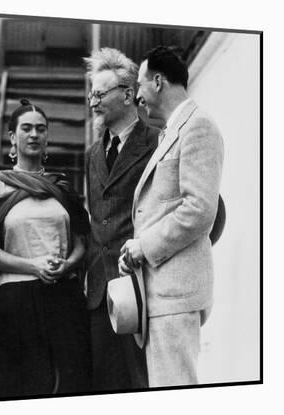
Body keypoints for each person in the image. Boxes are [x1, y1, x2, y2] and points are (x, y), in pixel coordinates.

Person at [0, 99, 91, 399]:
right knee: (18, 386)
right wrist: (33, 266)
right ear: (13, 137)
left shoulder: (61, 187)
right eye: (26, 128)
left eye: (41, 129)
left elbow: (81, 243)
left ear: (47, 137)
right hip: (15, 301)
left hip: (63, 296)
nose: (34, 134)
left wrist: (68, 264)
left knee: (70, 383)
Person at [120, 46, 224, 387]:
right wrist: (135, 251)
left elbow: (199, 209)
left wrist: (144, 246)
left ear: (159, 81)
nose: (137, 95)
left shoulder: (199, 127)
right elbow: (162, 207)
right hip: (161, 295)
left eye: (140, 83)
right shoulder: (173, 130)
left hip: (175, 296)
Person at [83, 47, 158, 391]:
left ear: (128, 94)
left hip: (145, 287)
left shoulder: (159, 143)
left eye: (100, 93)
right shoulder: (93, 154)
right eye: (91, 94)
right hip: (101, 293)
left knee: (145, 384)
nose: (93, 102)